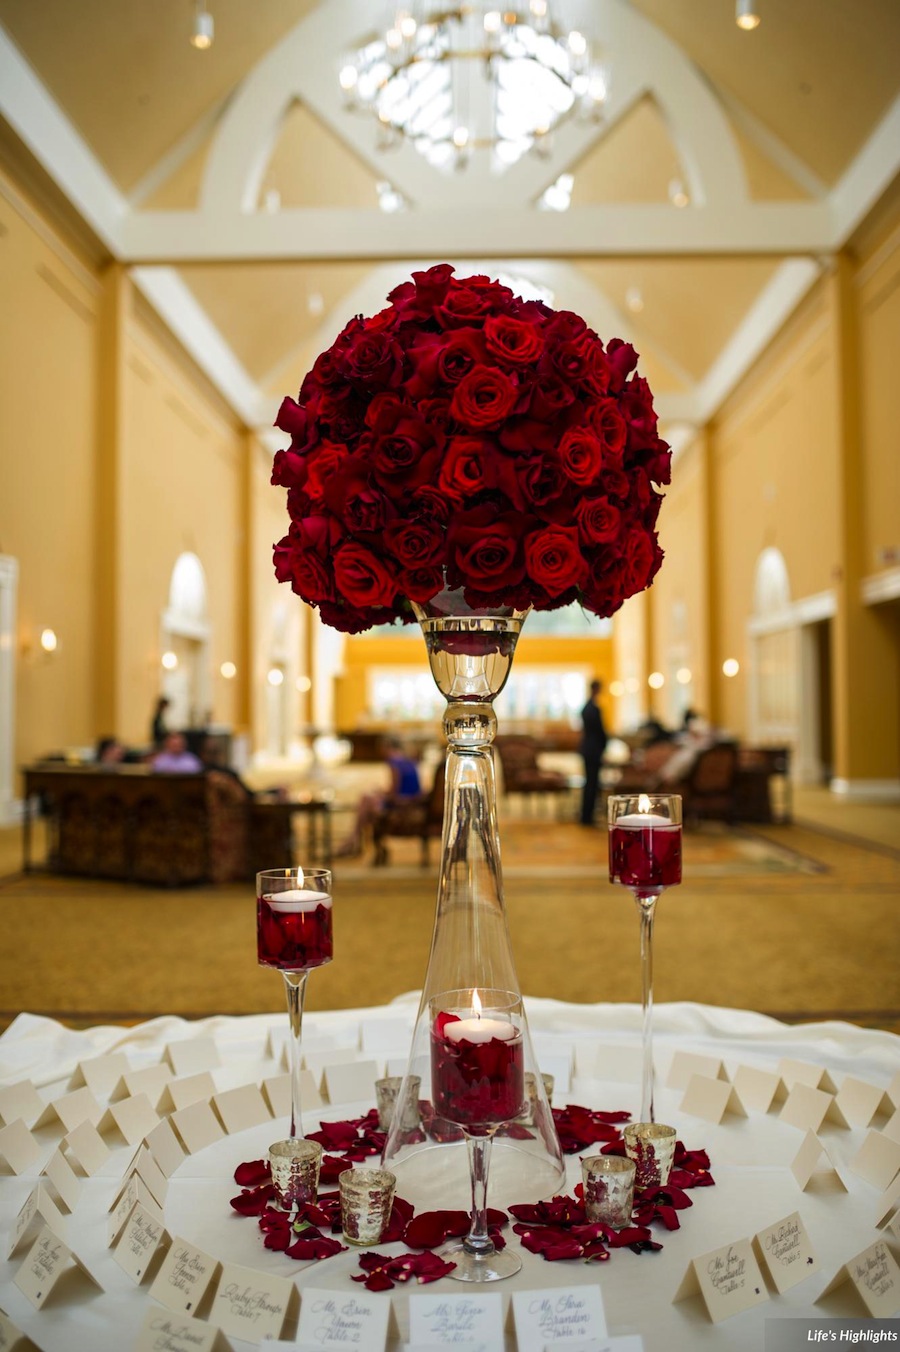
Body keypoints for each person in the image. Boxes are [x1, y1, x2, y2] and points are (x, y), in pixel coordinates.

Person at [335, 737, 422, 858]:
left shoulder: (394, 762)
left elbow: (394, 792)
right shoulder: (408, 761)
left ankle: (353, 840)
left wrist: (381, 794)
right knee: (367, 801)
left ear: (386, 747)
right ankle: (354, 841)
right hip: (413, 803)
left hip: (400, 805)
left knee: (366, 800)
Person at [580, 678, 608, 827]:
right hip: (593, 750)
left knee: (590, 783)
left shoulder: (586, 707)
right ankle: (587, 817)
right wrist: (604, 745)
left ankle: (586, 815)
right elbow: (600, 732)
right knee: (592, 783)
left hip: (587, 749)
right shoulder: (594, 708)